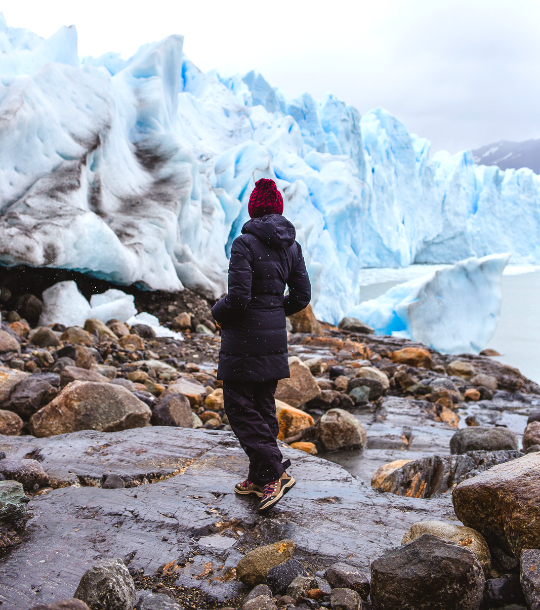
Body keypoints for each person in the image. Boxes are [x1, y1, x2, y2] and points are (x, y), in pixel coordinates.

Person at [211, 178, 311, 512]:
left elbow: (238, 298)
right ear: (279, 209)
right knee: (262, 403)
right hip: (272, 336)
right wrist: (272, 310)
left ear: (254, 209)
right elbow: (301, 296)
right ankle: (258, 475)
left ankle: (273, 472)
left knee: (239, 406)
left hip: (244, 339)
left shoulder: (244, 244)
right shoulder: (292, 247)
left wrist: (217, 311)